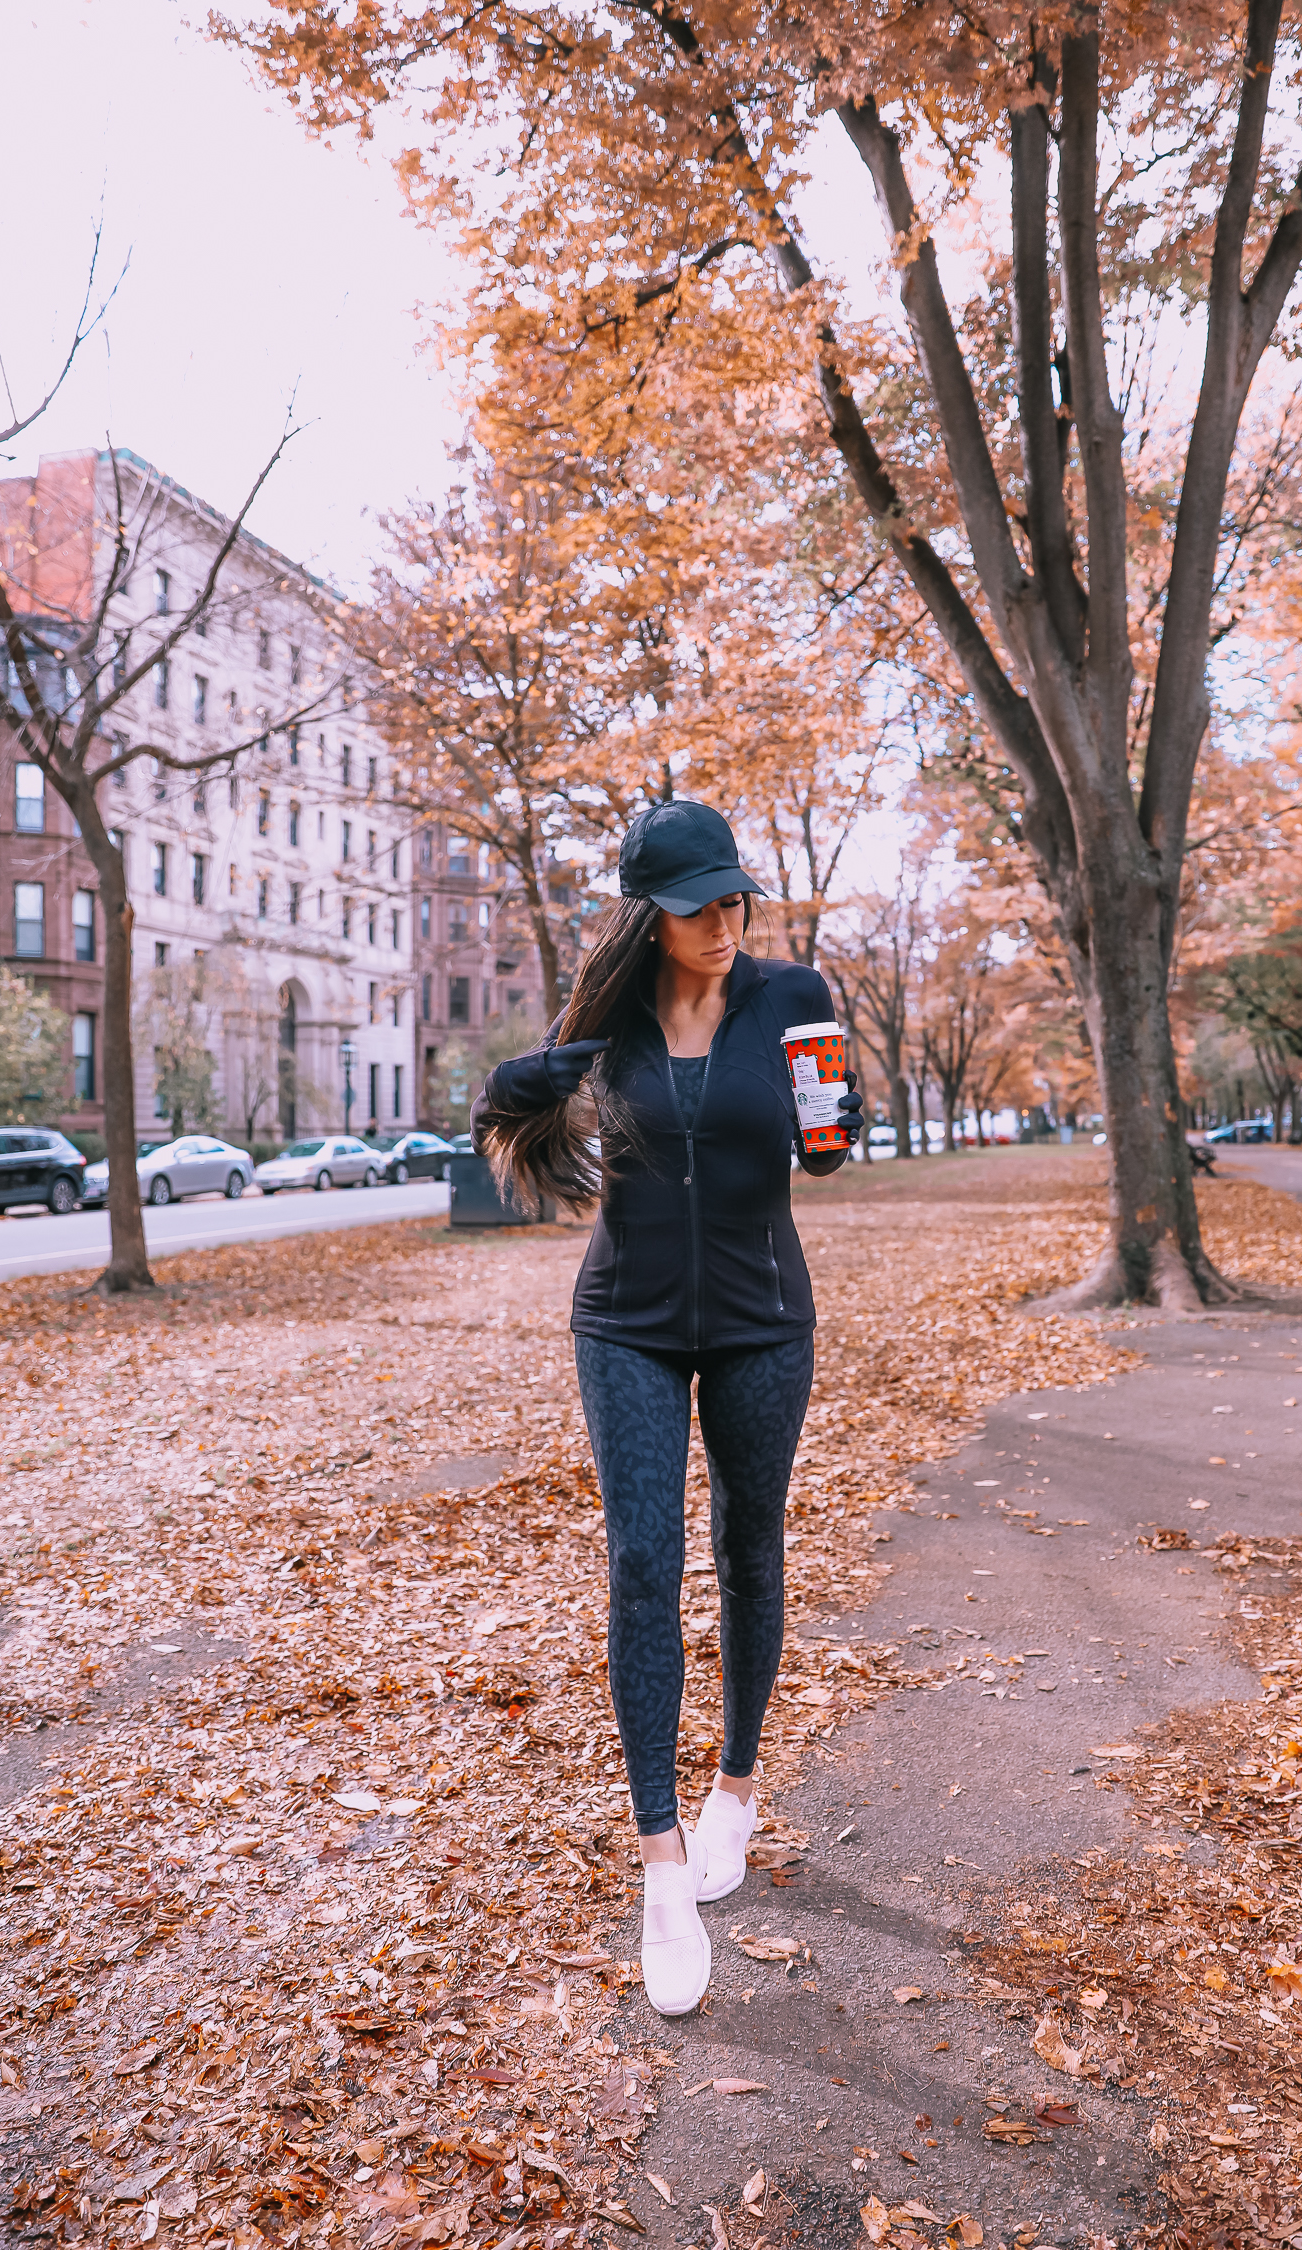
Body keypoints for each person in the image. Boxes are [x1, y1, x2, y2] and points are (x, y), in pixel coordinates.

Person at [472, 800, 862, 2015]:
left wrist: (839, 1109)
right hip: (627, 1323)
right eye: (698, 905)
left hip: (760, 1318)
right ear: (651, 913)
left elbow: (830, 1152)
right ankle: (660, 1864)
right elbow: (508, 1100)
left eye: (734, 898)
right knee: (645, 1560)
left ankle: (735, 1791)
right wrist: (541, 1075)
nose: (723, 922)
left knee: (751, 1546)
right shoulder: (607, 1019)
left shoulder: (791, 994)